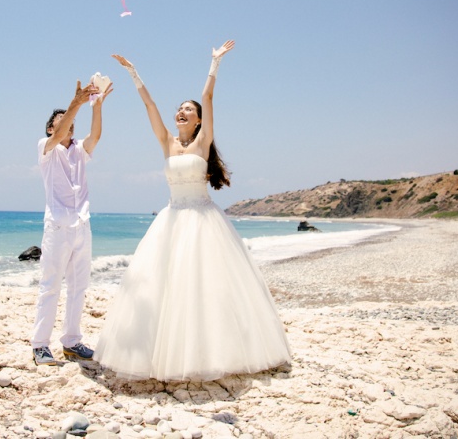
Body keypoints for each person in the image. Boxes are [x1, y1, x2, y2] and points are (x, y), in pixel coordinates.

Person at [95, 41, 291, 381]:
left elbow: (210, 98)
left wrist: (214, 64)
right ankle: (158, 354)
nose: (182, 112)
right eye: (180, 109)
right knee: (165, 289)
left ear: (199, 120)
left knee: (206, 288)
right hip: (171, 221)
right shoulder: (166, 142)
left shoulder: (202, 142)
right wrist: (133, 72)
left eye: (189, 109)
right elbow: (150, 105)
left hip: (203, 221)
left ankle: (217, 351)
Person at [31, 78, 112, 366]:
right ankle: (40, 345)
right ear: (51, 129)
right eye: (62, 121)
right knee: (50, 286)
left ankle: (72, 342)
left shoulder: (79, 149)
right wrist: (76, 102)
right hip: (57, 228)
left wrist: (97, 106)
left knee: (79, 287)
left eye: (70, 121)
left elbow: (96, 136)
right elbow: (62, 129)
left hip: (82, 227)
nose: (69, 125)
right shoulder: (46, 148)